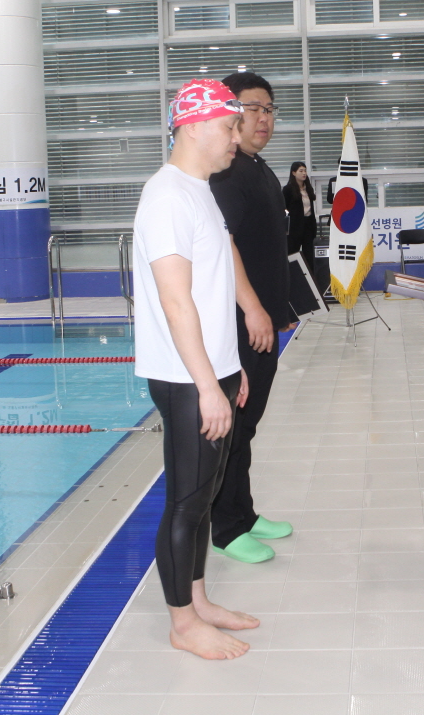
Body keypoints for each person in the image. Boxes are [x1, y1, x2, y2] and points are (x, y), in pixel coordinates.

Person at [132, 78, 258, 659]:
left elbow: (210, 290)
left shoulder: (197, 188)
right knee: (186, 500)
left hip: (210, 373)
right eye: (229, 125)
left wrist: (231, 371)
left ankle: (198, 598)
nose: (238, 136)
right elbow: (175, 300)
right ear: (193, 125)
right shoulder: (166, 197)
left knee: (203, 496)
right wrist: (209, 385)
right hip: (187, 380)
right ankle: (183, 624)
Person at [207, 72, 297, 564]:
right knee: (233, 426)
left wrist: (278, 309)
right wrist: (254, 309)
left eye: (269, 109)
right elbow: (225, 249)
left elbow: (266, 249)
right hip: (240, 326)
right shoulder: (226, 174)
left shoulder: (258, 169)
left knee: (248, 423)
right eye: (252, 107)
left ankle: (243, 511)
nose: (263, 118)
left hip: (263, 324)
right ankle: (225, 526)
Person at [283, 161, 318, 283]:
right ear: (293, 173)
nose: (304, 173)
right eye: (301, 171)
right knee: (293, 253)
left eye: (305, 170)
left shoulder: (308, 188)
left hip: (308, 225)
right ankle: (292, 280)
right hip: (294, 227)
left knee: (309, 255)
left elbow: (311, 209)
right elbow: (284, 209)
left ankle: (310, 282)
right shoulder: (288, 190)